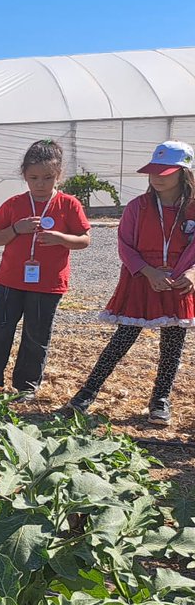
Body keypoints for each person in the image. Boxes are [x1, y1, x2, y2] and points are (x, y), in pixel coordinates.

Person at [69, 141, 195, 426]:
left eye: (165, 172)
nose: (157, 177)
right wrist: (148, 272)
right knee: (122, 338)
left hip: (178, 282)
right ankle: (87, 392)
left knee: (173, 344)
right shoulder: (138, 207)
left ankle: (160, 399)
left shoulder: (192, 208)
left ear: (183, 173)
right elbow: (125, 246)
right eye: (153, 171)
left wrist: (191, 273)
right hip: (142, 279)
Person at [0, 140, 91, 400]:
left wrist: (61, 238)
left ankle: (26, 385)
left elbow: (84, 239)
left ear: (59, 175)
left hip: (48, 284)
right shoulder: (14, 204)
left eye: (48, 178)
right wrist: (15, 229)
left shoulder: (69, 204)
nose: (40, 184)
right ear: (24, 175)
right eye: (34, 178)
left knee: (36, 334)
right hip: (11, 280)